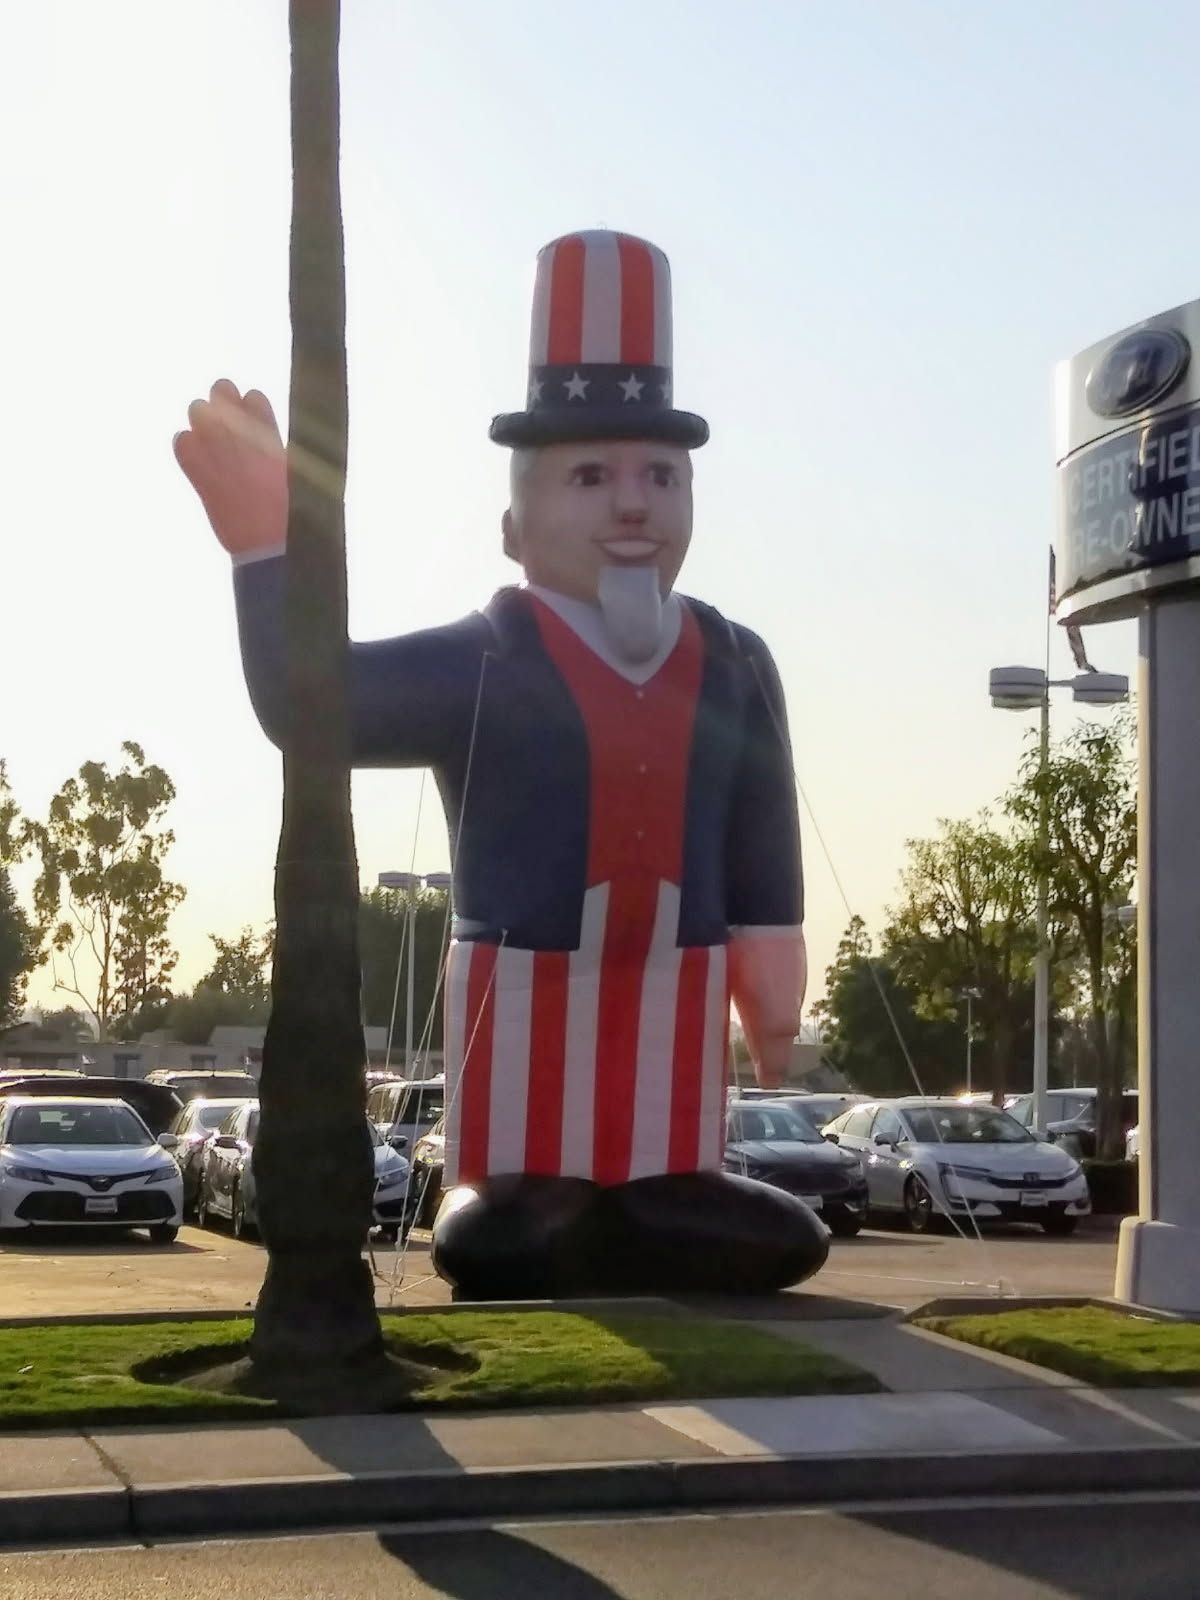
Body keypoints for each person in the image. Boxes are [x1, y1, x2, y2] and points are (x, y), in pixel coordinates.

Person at [175, 229, 828, 1298]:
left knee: (717, 1202)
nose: (632, 505)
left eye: (660, 475)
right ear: (514, 522)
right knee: (509, 1230)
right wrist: (264, 550)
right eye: (591, 476)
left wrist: (771, 953)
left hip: (681, 976)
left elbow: (760, 819)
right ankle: (542, 1196)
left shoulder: (734, 660)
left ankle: (662, 1191)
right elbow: (314, 707)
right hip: (524, 984)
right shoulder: (483, 658)